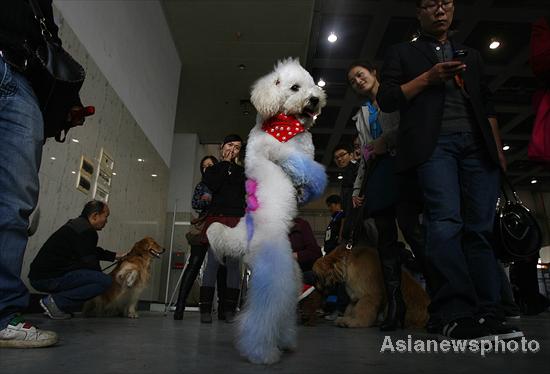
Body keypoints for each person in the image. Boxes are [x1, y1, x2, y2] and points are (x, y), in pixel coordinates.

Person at [377, 0, 522, 339]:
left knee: (480, 231)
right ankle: (453, 312)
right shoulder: (403, 53)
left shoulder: (470, 55)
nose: (440, 11)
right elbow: (386, 98)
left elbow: (487, 103)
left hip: (478, 146)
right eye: (431, 5)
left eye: (446, 4)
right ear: (419, 13)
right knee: (444, 224)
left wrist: (497, 150)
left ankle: (489, 311)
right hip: (434, 146)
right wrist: (427, 78)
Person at [0, 0, 86, 348]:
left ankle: (3, 315)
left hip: (21, 82)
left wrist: (70, 101)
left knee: (14, 203)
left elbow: (50, 45)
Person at [347, 60, 426, 331]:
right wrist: (358, 189)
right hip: (378, 175)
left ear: (373, 72)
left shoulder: (395, 96)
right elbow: (366, 156)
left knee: (412, 231)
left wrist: (386, 142)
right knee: (385, 242)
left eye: (360, 74)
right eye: (353, 80)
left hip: (401, 167)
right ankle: (395, 306)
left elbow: (412, 129)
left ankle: (441, 298)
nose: (358, 80)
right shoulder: (362, 114)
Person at [28, 201, 123, 320]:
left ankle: (56, 305)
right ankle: (55, 302)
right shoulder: (87, 232)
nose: (107, 221)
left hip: (38, 277)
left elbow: (91, 250)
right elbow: (92, 265)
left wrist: (116, 255)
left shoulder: (78, 225)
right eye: (106, 216)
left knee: (94, 277)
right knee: (105, 281)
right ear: (95, 216)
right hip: (48, 279)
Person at [198, 135, 246, 323]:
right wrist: (225, 163)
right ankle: (205, 310)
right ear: (222, 146)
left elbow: (242, 192)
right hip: (217, 217)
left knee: (234, 264)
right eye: (230, 145)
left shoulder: (242, 171)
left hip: (235, 217)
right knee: (213, 262)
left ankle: (229, 310)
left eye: (237, 147)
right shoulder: (213, 169)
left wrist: (231, 167)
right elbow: (212, 184)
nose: (233, 150)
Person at [173, 155, 226, 320]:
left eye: (210, 165)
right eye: (204, 166)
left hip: (220, 227)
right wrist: (208, 200)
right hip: (202, 227)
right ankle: (180, 306)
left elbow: (227, 203)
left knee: (220, 267)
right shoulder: (201, 185)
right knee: (194, 263)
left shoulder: (224, 185)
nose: (207, 168)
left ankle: (223, 309)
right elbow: (195, 204)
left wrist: (210, 199)